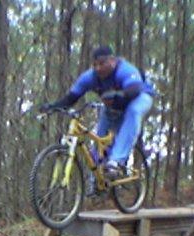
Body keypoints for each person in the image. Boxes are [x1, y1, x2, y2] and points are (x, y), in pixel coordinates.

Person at [40, 46, 155, 185]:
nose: (98, 68)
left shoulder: (125, 70)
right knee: (99, 139)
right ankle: (96, 180)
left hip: (139, 97)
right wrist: (53, 106)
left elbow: (135, 89)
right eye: (94, 65)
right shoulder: (89, 77)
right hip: (113, 106)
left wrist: (119, 94)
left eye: (102, 63)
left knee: (133, 112)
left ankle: (116, 161)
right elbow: (71, 98)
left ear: (112, 61)